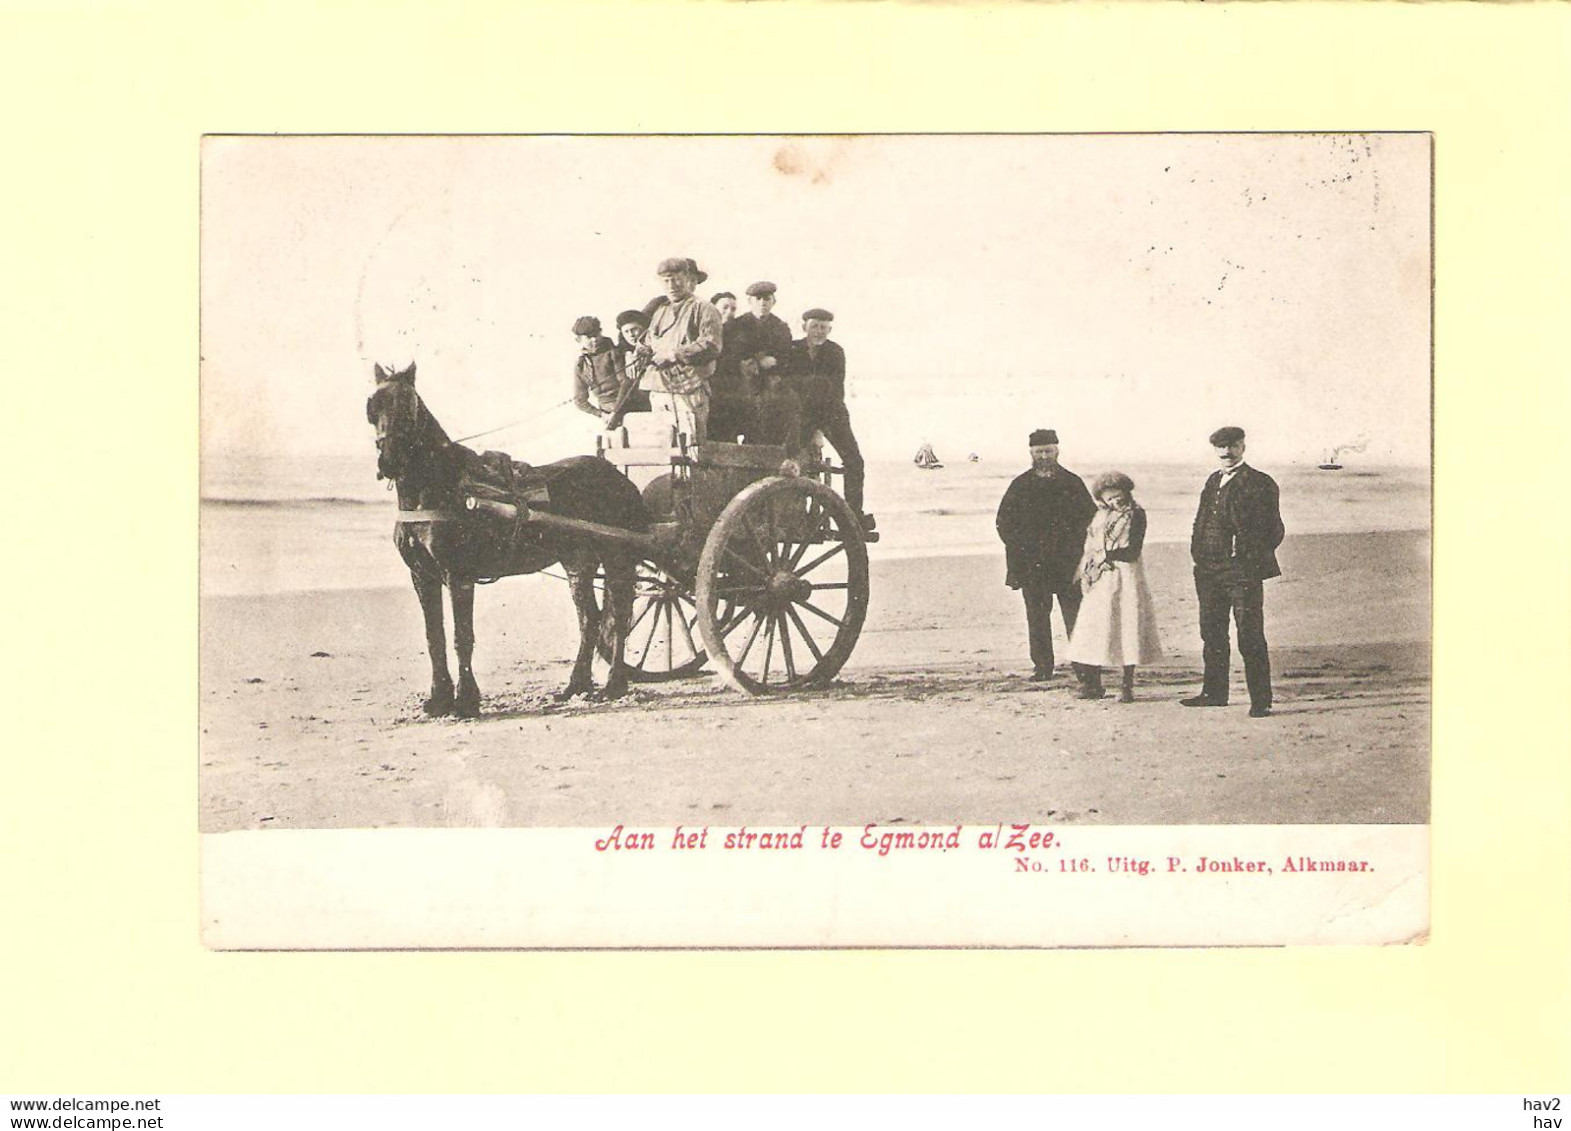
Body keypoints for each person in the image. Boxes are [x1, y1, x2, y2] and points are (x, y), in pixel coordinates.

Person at [1181, 425, 1285, 718]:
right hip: (1208, 569)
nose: (1226, 452)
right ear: (1215, 450)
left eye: (1232, 446)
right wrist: (1197, 553)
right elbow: (1200, 520)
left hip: (1242, 572)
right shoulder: (1213, 480)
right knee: (1211, 632)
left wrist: (1249, 558)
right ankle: (1214, 693)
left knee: (1249, 634)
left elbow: (1275, 529)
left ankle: (1261, 700)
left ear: (1243, 447)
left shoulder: (1261, 482)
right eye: (1220, 447)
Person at [995, 429, 1097, 683]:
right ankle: (1042, 667)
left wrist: (1082, 555)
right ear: (1031, 453)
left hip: (1067, 563)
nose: (1043, 456)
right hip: (1033, 565)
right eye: (1039, 451)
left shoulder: (1072, 482)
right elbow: (1003, 522)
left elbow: (1091, 520)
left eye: (1048, 451)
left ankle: (1084, 667)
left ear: (1057, 451)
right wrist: (1019, 550)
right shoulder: (1020, 484)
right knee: (1037, 618)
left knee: (1075, 616)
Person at [1066, 471, 1163, 701]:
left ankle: (1127, 685)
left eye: (1118, 496)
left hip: (1125, 576)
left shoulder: (1136, 515)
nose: (1115, 501)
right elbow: (1090, 545)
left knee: (1126, 627)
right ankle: (1091, 684)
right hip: (1101, 577)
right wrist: (1091, 566)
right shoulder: (1101, 517)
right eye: (1109, 498)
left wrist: (1105, 555)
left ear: (1126, 493)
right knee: (1096, 628)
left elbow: (1132, 550)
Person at [789, 308, 870, 528]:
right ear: (804, 326)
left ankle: (854, 516)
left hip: (831, 414)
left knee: (854, 461)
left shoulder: (835, 352)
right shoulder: (793, 349)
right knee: (791, 460)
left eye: (823, 327)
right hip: (802, 415)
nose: (818, 331)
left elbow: (835, 391)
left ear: (830, 329)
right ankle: (791, 513)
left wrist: (820, 431)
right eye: (814, 326)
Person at [636, 257, 722, 445]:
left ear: (688, 278)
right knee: (662, 443)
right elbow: (649, 341)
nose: (672, 285)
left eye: (676, 279)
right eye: (666, 280)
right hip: (660, 388)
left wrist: (673, 354)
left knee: (691, 446)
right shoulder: (660, 311)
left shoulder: (704, 308)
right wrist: (641, 352)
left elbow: (711, 345)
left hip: (689, 388)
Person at [569, 315, 626, 423]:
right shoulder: (581, 366)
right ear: (578, 340)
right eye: (589, 337)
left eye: (596, 334)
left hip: (628, 407)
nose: (594, 339)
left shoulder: (613, 353)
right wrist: (601, 414)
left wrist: (616, 412)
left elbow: (625, 383)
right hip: (607, 415)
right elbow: (580, 400)